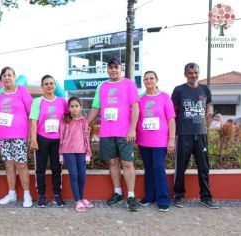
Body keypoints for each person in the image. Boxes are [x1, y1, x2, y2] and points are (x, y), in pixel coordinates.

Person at [87, 57, 140, 211]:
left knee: (128, 163)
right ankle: (117, 192)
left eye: (116, 67)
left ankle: (131, 195)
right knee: (112, 163)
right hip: (107, 133)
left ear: (121, 68)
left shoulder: (129, 84)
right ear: (107, 69)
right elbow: (96, 108)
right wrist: (85, 123)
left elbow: (135, 107)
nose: (113, 70)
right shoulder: (101, 86)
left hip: (125, 133)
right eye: (110, 67)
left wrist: (132, 128)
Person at [171, 62, 218, 209]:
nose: (193, 75)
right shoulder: (178, 90)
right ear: (185, 74)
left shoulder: (205, 89)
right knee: (181, 167)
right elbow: (173, 112)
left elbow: (208, 106)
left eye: (196, 72)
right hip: (184, 134)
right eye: (190, 73)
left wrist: (204, 120)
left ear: (199, 73)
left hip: (201, 134)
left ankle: (206, 197)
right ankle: (178, 196)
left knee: (204, 167)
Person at [136, 71, 176, 212]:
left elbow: (171, 120)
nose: (149, 80)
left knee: (158, 168)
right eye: (146, 79)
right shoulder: (140, 98)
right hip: (143, 140)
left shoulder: (165, 97)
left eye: (151, 78)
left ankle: (163, 198)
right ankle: (150, 195)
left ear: (157, 80)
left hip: (160, 141)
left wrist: (171, 140)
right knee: (149, 168)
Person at [0, 67, 33, 208]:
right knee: (8, 164)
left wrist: (30, 134)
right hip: (3, 136)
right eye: (4, 75)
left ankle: (27, 195)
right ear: (1, 78)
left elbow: (32, 113)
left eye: (9, 75)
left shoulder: (22, 91)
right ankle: (12, 194)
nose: (7, 78)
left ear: (14, 76)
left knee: (21, 165)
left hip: (19, 135)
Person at [29, 75, 67, 208]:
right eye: (46, 84)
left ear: (55, 86)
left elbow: (68, 119)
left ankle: (57, 195)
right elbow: (33, 121)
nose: (49, 86)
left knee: (57, 168)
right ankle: (42, 196)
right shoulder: (37, 102)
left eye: (51, 83)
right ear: (42, 87)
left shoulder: (62, 102)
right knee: (40, 169)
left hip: (58, 140)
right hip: (42, 139)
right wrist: (33, 139)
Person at [59, 96, 93, 212]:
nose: (74, 109)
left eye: (76, 106)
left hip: (81, 152)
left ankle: (82, 197)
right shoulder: (64, 121)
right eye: (72, 106)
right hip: (68, 152)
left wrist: (88, 153)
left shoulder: (84, 121)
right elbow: (61, 138)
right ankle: (77, 200)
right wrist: (61, 154)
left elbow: (86, 138)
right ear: (68, 108)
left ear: (80, 107)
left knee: (82, 176)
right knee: (74, 175)